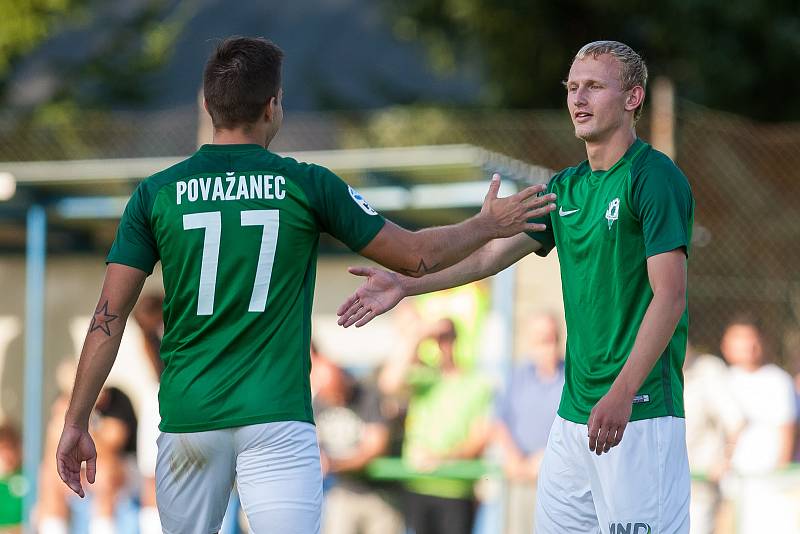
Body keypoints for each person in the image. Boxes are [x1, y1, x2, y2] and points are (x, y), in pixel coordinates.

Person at [54, 36, 556, 534]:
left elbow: (109, 315)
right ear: (273, 106)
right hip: (276, 418)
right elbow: (416, 256)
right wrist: (485, 224)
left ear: (208, 106)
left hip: (190, 419)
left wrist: (76, 421)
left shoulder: (156, 194)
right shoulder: (307, 184)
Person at [338, 40, 694, 533]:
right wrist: (405, 283)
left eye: (593, 86)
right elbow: (487, 255)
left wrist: (622, 391)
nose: (577, 99)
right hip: (574, 418)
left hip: (640, 412)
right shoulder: (565, 188)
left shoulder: (653, 178)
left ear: (633, 98)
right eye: (572, 87)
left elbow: (670, 296)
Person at [379, 317, 491, 534]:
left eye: (446, 337)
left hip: (456, 490)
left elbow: (480, 438)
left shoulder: (477, 384)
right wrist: (418, 335)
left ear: (457, 340)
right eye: (437, 338)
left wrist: (440, 460)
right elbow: (388, 383)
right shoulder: (424, 379)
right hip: (418, 486)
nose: (442, 344)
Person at [310, 345, 403, 534]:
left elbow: (375, 447)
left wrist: (334, 463)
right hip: (344, 492)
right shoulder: (319, 402)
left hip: (380, 495)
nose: (335, 401)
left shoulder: (368, 395)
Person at [494, 312, 564, 534]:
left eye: (549, 339)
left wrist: (548, 458)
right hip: (521, 478)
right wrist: (513, 458)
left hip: (559, 481)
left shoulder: (571, 377)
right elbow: (499, 421)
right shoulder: (518, 375)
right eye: (539, 339)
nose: (545, 346)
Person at [719, 318, 796, 475]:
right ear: (725, 345)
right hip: (730, 475)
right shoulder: (721, 379)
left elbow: (787, 428)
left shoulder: (778, 380)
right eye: (740, 338)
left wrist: (782, 470)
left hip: (768, 474)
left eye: (751, 338)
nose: (748, 345)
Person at [682, 343, 743, 534]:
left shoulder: (708, 370)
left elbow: (736, 421)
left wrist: (724, 459)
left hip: (699, 489)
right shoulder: (650, 372)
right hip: (661, 486)